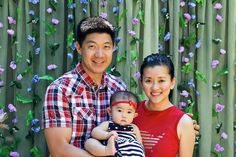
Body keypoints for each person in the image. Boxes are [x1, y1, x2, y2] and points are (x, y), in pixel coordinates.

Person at [42, 16, 127, 157]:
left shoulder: (118, 88)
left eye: (106, 46)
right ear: (79, 47)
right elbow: (59, 149)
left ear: (113, 48)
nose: (99, 55)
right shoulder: (60, 89)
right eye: (92, 46)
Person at [133, 53, 196, 157]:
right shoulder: (131, 111)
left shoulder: (184, 122)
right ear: (141, 83)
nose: (155, 87)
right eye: (148, 81)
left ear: (172, 82)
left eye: (161, 80)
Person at [84, 91, 145, 157]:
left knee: (89, 142)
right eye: (119, 110)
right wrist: (107, 135)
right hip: (115, 150)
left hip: (133, 153)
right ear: (110, 111)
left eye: (129, 112)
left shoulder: (134, 127)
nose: (124, 115)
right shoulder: (108, 124)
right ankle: (106, 150)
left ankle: (107, 151)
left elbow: (140, 144)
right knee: (89, 142)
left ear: (134, 115)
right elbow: (94, 132)